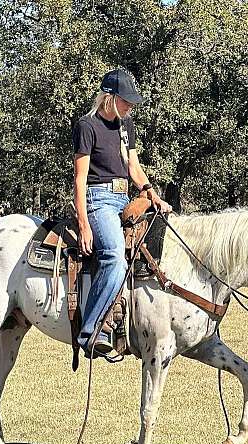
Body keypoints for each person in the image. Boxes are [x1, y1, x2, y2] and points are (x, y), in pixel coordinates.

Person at [72, 69, 172, 356]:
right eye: (126, 101)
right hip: (98, 199)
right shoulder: (87, 126)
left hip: (125, 198)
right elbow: (79, 179)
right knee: (114, 256)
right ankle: (91, 331)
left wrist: (151, 193)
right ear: (109, 97)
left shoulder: (126, 126)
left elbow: (133, 167)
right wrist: (84, 224)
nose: (130, 106)